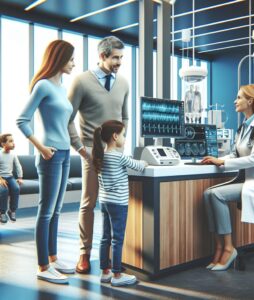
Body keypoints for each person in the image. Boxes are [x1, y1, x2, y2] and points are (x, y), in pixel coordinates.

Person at [202, 84, 254, 271]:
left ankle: (229, 248)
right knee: (208, 194)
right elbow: (235, 155)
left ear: (251, 101)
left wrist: (222, 163)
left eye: (239, 97)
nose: (235, 101)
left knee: (216, 195)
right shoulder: (243, 127)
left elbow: (253, 159)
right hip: (250, 181)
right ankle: (220, 247)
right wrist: (218, 159)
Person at [68, 36, 129, 273]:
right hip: (91, 153)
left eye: (121, 57)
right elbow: (67, 118)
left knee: (115, 202)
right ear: (102, 56)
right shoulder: (81, 81)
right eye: (115, 57)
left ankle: (114, 254)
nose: (119, 62)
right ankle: (84, 253)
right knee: (89, 202)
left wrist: (120, 147)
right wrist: (80, 148)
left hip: (115, 154)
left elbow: (124, 117)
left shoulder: (123, 82)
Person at [16, 40, 75, 284]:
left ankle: (52, 257)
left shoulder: (60, 88)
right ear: (59, 59)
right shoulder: (43, 86)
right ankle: (42, 266)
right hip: (50, 155)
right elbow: (22, 120)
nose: (73, 63)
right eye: (71, 59)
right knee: (46, 211)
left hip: (64, 154)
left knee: (57, 210)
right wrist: (40, 147)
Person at [92, 120, 147, 286]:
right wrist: (144, 162)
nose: (124, 138)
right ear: (115, 136)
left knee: (105, 237)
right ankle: (117, 275)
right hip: (119, 204)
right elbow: (138, 166)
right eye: (123, 135)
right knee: (117, 239)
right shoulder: (119, 156)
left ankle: (105, 272)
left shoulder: (101, 155)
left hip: (105, 202)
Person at [0, 134, 23, 224]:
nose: (13, 143)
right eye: (10, 141)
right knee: (3, 190)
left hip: (10, 177)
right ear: (3, 144)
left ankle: (12, 211)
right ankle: (2, 212)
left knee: (16, 188)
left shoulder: (13, 155)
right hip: (1, 178)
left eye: (13, 141)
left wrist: (20, 177)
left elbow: (18, 166)